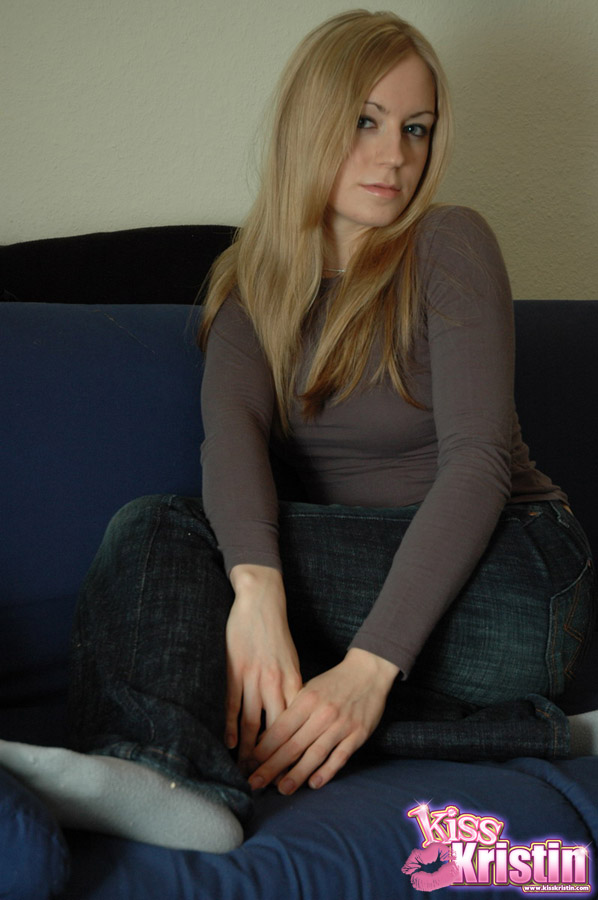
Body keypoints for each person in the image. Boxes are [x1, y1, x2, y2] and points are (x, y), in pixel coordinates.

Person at [1, 9, 596, 855]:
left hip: (516, 574)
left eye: (415, 128)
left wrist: (369, 666)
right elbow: (232, 437)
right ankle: (536, 732)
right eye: (365, 121)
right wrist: (257, 595)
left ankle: (158, 765)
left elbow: (477, 465)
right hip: (373, 594)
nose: (395, 156)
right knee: (224, 640)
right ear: (309, 122)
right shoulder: (252, 285)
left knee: (159, 531)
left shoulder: (447, 242)